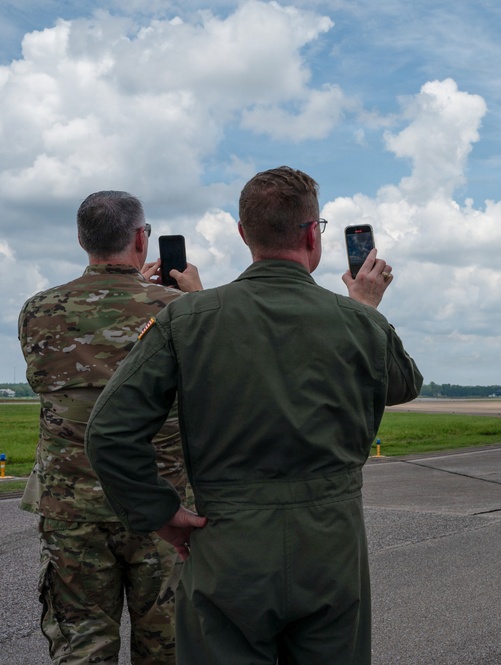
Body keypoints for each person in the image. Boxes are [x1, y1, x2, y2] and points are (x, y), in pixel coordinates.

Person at [86, 166, 423, 664]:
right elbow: (402, 385)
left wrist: (160, 514)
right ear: (313, 234)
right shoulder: (358, 321)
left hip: (227, 542)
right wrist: (366, 310)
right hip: (330, 545)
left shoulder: (185, 318)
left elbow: (109, 432)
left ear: (244, 234)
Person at [17, 190, 203, 663]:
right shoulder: (179, 312)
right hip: (160, 507)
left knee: (82, 647)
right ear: (142, 239)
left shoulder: (39, 310)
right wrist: (192, 300)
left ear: (82, 240)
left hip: (71, 509)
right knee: (165, 647)